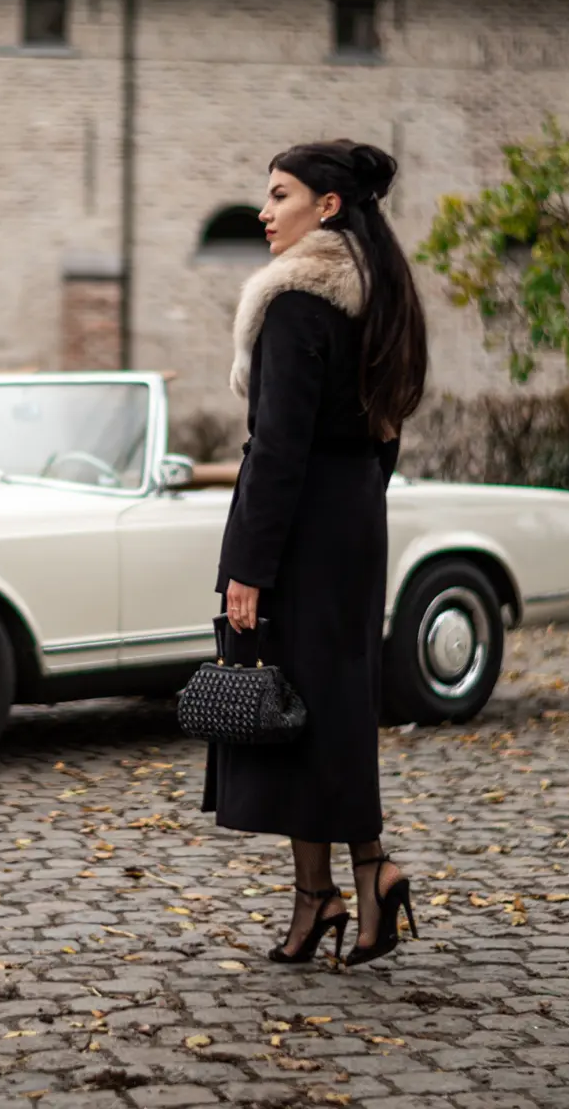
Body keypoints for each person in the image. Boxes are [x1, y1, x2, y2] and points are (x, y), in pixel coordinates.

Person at [202, 139, 429, 967]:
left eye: (279, 195)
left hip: (298, 535)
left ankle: (338, 889)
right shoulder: (378, 298)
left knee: (301, 715)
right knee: (326, 711)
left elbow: (278, 450)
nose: (263, 211)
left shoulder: (298, 302)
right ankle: (343, 888)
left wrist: (249, 570)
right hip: (351, 523)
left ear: (327, 206)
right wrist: (354, 503)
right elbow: (386, 436)